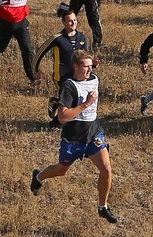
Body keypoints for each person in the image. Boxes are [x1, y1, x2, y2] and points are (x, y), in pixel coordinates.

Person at [30, 51, 117, 224]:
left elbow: (90, 70)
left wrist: (92, 64)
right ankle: (38, 177)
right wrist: (86, 104)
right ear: (75, 66)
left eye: (91, 67)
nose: (89, 70)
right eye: (86, 66)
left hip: (93, 133)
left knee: (106, 169)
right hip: (73, 138)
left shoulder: (94, 78)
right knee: (61, 170)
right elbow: (62, 117)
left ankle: (103, 207)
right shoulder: (69, 87)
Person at [35, 4, 90, 125]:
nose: (73, 23)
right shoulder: (57, 38)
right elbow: (39, 53)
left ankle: (55, 103)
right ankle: (55, 123)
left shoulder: (82, 37)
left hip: (77, 76)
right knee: (68, 102)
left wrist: (94, 64)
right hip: (61, 77)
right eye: (70, 21)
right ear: (63, 23)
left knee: (72, 100)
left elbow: (85, 57)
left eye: (75, 20)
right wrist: (35, 70)